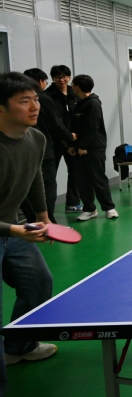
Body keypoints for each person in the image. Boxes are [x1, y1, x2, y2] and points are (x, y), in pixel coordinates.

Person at [0, 72, 58, 388]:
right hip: (9, 229)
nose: (35, 106)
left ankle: (19, 347)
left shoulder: (36, 138)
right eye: (24, 101)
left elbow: (34, 175)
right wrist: (14, 230)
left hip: (12, 228)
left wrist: (43, 216)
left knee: (38, 282)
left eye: (36, 99)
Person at [22, 68, 74, 223]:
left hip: (23, 150)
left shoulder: (19, 100)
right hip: (44, 151)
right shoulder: (43, 99)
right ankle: (47, 220)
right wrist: (70, 137)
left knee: (27, 186)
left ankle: (33, 220)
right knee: (46, 185)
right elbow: (55, 124)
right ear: (40, 82)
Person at [69, 75, 118, 221]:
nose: (71, 86)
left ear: (78, 86)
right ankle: (89, 209)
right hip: (79, 148)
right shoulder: (78, 103)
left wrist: (84, 146)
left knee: (98, 178)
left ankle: (109, 208)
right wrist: (72, 145)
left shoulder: (93, 103)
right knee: (82, 180)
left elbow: (92, 126)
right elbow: (74, 127)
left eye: (73, 84)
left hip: (94, 148)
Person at [43, 64, 82, 213]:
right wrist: (65, 137)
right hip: (55, 142)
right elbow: (53, 122)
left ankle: (73, 203)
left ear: (69, 77)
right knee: (50, 176)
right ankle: (47, 210)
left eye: (65, 76)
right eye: (58, 77)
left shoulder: (74, 94)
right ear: (53, 78)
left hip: (73, 141)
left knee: (75, 172)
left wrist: (74, 138)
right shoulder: (48, 96)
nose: (62, 79)